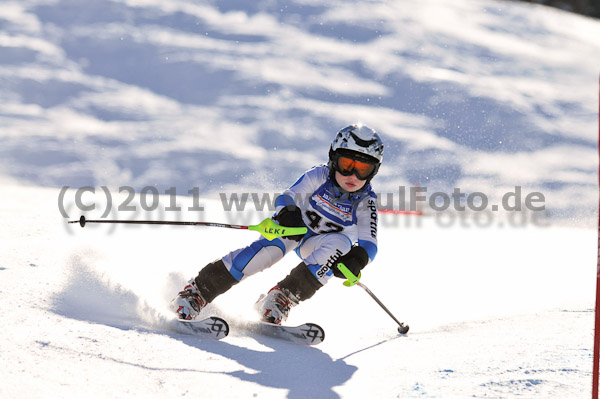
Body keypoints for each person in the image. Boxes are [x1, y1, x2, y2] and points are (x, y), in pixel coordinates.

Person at [172, 124, 384, 325]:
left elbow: (370, 243)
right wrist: (287, 212)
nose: (352, 176)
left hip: (321, 246)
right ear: (333, 159)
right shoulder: (319, 176)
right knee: (266, 254)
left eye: (362, 169)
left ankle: (280, 299)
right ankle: (197, 292)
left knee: (342, 244)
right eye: (346, 165)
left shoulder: (366, 202)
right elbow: (287, 196)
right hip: (292, 229)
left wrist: (358, 259)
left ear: (373, 172)